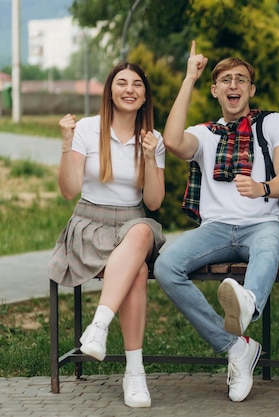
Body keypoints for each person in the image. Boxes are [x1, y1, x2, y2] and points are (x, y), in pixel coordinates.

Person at [154, 41, 279, 403]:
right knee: (167, 266)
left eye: (241, 80)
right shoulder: (205, 134)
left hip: (263, 223)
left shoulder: (273, 123)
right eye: (226, 80)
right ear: (216, 90)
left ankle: (246, 301)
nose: (234, 85)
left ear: (251, 89)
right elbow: (171, 141)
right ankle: (235, 345)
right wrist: (189, 78)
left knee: (268, 247)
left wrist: (262, 188)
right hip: (215, 230)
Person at [49, 63, 166, 408]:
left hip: (131, 226)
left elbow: (154, 202)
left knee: (143, 228)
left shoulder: (152, 139)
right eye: (121, 83)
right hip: (90, 225)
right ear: (110, 91)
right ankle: (134, 372)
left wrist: (148, 156)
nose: (129, 89)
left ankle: (99, 325)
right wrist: (67, 144)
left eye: (136, 85)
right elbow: (69, 191)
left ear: (145, 96)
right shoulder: (87, 129)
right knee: (139, 271)